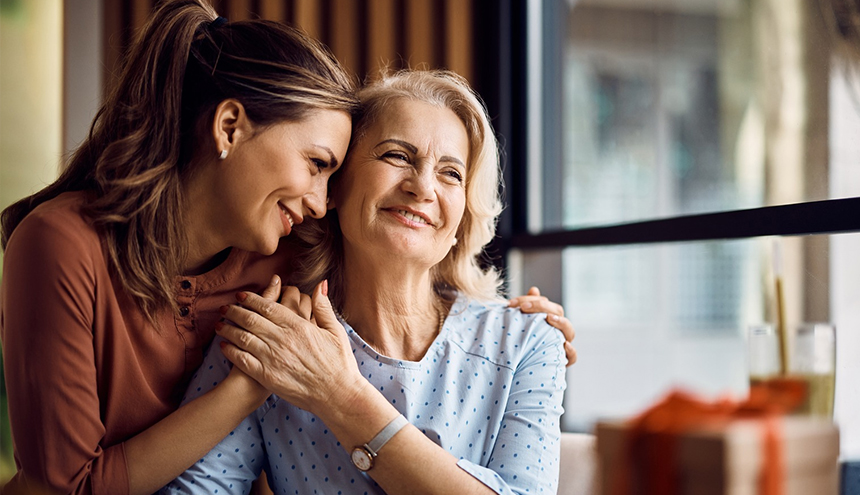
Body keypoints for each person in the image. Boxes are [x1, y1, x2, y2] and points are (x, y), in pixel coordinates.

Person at [0, 3, 573, 494]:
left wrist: (523, 325)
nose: (320, 201)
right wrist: (250, 387)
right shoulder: (275, 309)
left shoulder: (518, 342)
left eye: (452, 173)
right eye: (395, 155)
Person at [0, 1, 357, 493]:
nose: (319, 204)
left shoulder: (289, 262)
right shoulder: (60, 247)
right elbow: (67, 488)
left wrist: (493, 310)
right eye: (317, 164)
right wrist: (243, 390)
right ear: (229, 126)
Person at [163, 70, 568, 495]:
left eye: (451, 173)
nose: (422, 187)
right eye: (397, 156)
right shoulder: (272, 333)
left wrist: (341, 396)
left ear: (462, 218)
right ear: (334, 186)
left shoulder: (528, 340)